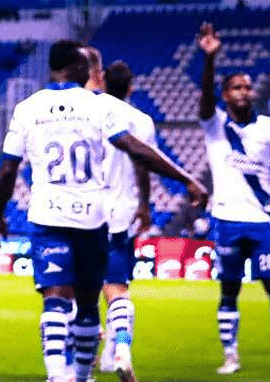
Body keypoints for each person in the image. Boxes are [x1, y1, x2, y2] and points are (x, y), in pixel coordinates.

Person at [0, 40, 207, 382]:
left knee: (56, 298)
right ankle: (79, 375)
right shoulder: (97, 108)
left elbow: (8, 170)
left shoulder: (26, 108)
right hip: (92, 218)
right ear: (79, 69)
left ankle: (56, 375)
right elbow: (137, 150)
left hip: (48, 216)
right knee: (90, 304)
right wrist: (186, 179)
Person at [196, 23, 270, 375]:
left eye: (247, 87)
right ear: (225, 95)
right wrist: (210, 61)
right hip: (227, 220)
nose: (244, 92)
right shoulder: (215, 127)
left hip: (262, 220)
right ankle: (231, 355)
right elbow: (203, 98)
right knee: (229, 291)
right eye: (236, 88)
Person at [91, 58, 158, 382]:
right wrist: (144, 205)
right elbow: (142, 164)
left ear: (102, 80)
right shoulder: (142, 121)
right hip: (123, 210)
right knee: (118, 285)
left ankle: (89, 348)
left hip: (85, 209)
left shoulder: (89, 108)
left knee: (81, 286)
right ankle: (120, 348)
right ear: (132, 87)